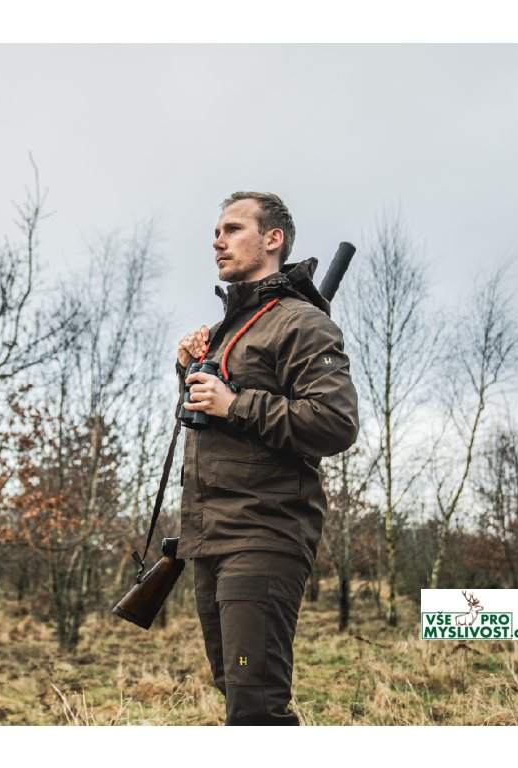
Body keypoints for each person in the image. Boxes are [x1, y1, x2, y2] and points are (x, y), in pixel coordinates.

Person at [176, 191, 359, 726]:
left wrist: (235, 403)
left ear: (273, 239)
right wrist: (189, 371)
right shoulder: (230, 330)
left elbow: (335, 422)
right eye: (217, 231)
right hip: (210, 536)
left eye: (233, 229)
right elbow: (215, 430)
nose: (218, 240)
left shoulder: (302, 323)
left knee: (256, 707)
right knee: (239, 697)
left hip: (262, 534)